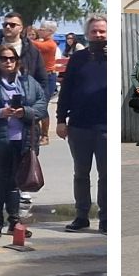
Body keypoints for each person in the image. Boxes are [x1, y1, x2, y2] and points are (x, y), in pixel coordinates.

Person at [0, 33, 47, 238]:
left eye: (12, 59)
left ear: (17, 61)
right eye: (3, 58)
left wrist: (25, 111)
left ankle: (14, 222)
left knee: (16, 182)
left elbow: (41, 105)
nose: (8, 62)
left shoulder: (27, 81)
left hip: (23, 139)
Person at [55, 15, 107, 233]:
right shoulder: (78, 58)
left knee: (106, 175)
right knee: (81, 173)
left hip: (105, 127)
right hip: (79, 126)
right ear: (87, 34)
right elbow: (66, 90)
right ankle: (81, 215)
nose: (99, 35)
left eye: (102, 31)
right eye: (94, 31)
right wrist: (60, 119)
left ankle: (106, 218)